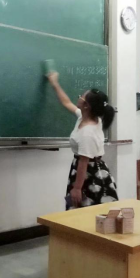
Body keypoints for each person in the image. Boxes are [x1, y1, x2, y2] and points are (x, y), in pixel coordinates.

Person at [47, 72, 118, 210]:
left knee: (88, 211)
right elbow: (66, 102)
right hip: (86, 169)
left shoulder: (87, 133)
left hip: (89, 174)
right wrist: (55, 83)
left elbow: (84, 162)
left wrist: (77, 188)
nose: (79, 97)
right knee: (86, 211)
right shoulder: (85, 117)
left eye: (81, 96)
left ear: (86, 106)